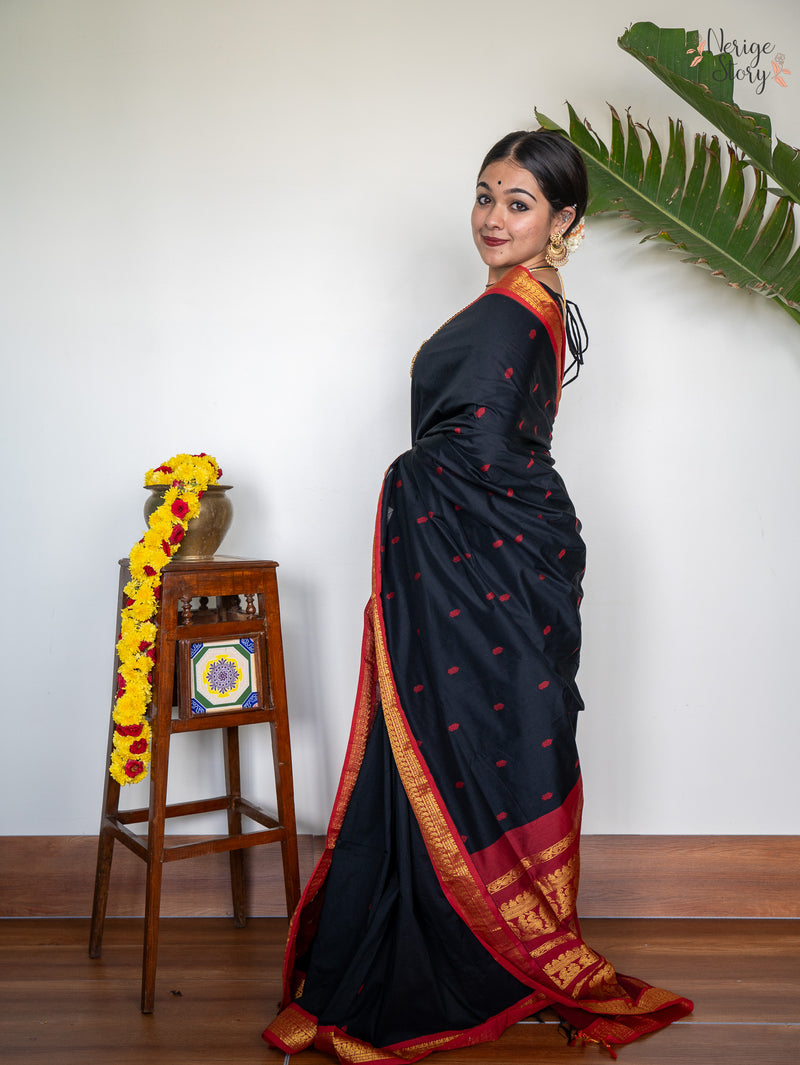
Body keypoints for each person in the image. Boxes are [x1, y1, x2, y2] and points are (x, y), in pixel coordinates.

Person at [263, 130, 693, 1061]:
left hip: (483, 554)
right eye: (485, 195)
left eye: (519, 202)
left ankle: (465, 954)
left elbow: (483, 451)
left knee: (473, 738)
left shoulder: (512, 310)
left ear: (563, 217)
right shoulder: (533, 300)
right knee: (482, 740)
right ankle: (482, 942)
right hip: (495, 549)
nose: (494, 217)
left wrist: (415, 478)